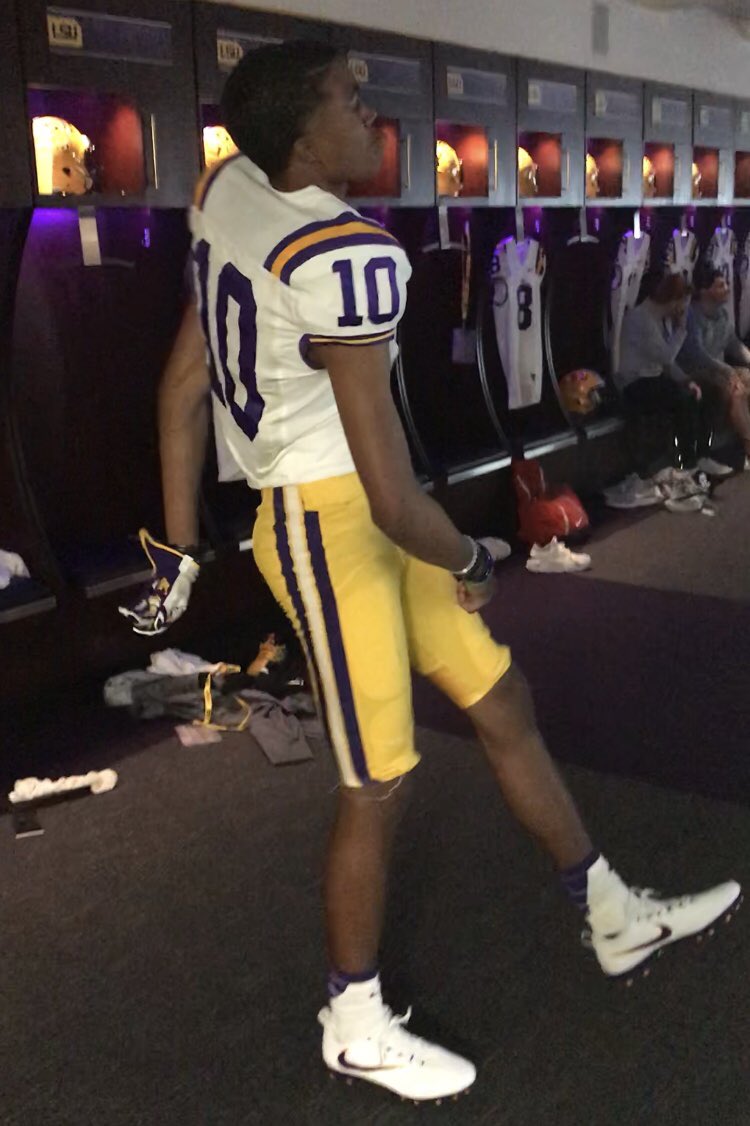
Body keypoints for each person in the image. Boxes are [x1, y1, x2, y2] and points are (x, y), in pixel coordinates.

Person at [123, 42, 741, 1104]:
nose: (373, 116)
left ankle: (608, 910)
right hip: (329, 524)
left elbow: (181, 387)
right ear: (302, 137)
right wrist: (471, 557)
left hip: (361, 511)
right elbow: (389, 493)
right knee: (379, 779)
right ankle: (352, 1017)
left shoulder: (233, 190)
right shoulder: (342, 257)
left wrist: (179, 544)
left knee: (501, 699)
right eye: (351, 101)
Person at [616, 272, 731, 488]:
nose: (683, 308)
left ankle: (703, 453)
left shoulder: (659, 320)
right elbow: (667, 357)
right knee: (684, 398)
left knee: (710, 389)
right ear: (673, 300)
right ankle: (688, 462)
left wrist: (687, 379)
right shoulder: (641, 319)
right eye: (682, 302)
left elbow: (667, 366)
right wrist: (681, 328)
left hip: (655, 377)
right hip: (635, 383)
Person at [678, 261, 750, 469]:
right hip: (696, 372)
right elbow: (697, 354)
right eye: (720, 285)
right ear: (704, 291)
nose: (727, 289)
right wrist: (727, 371)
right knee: (735, 390)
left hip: (719, 370)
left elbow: (734, 344)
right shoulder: (691, 316)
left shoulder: (723, 315)